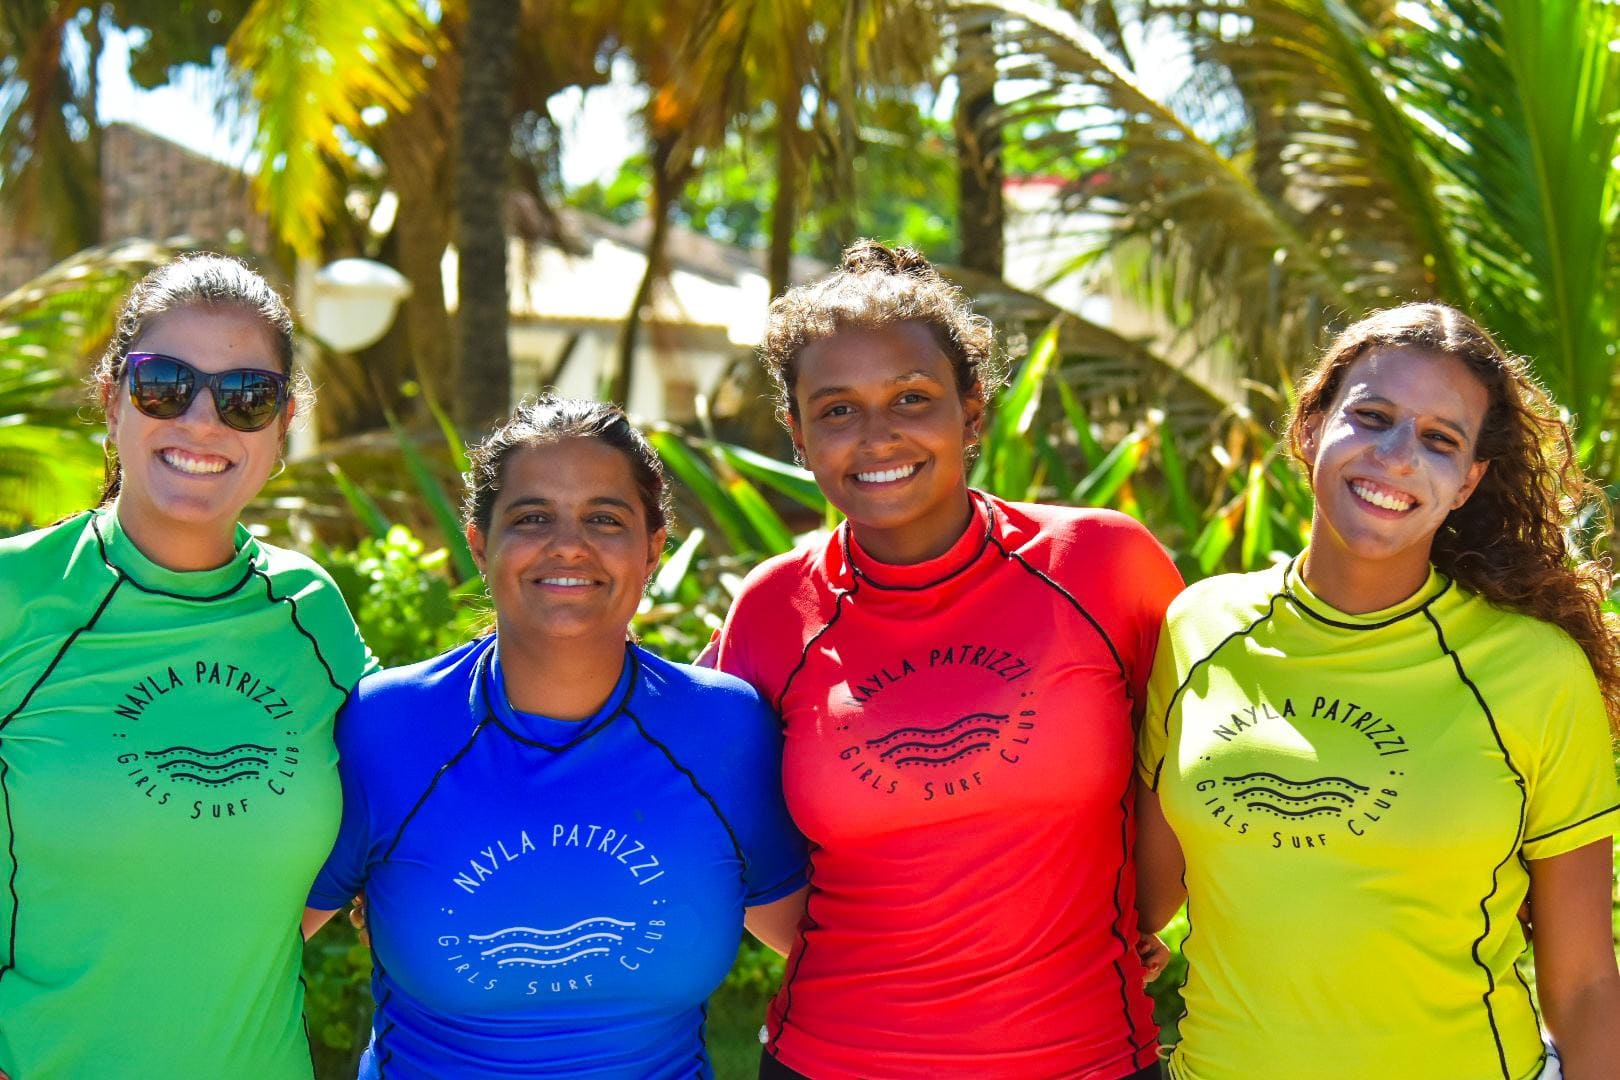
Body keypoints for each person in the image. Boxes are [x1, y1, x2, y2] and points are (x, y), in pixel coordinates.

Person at [712, 240, 1183, 1079]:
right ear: (797, 433)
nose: (877, 435)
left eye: (911, 398)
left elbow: (1185, 771)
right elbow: (734, 827)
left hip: (1086, 1059)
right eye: (837, 410)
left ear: (971, 411)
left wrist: (1123, 919)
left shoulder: (1103, 565)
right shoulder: (774, 608)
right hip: (833, 1059)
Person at [1136, 303, 1620, 1080]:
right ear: (1310, 427)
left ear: (1467, 483)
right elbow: (1140, 899)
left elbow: (1588, 983)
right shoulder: (1199, 627)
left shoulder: (1533, 671)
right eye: (1372, 416)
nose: (1398, 456)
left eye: (1439, 440)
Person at [304, 396, 808, 1078]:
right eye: (531, 518)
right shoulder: (390, 727)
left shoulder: (724, 732)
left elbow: (827, 950)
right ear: (480, 545)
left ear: (653, 548)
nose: (568, 544)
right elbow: (252, 945)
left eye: (604, 519)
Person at [0, 254, 372, 1078]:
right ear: (111, 398)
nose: (204, 422)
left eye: (247, 397)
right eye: (165, 384)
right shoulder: (14, 595)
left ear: (282, 427)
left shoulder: (307, 610)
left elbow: (405, 778)